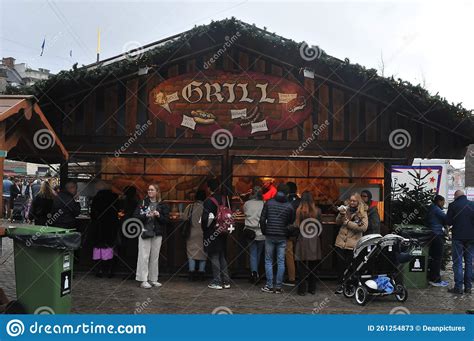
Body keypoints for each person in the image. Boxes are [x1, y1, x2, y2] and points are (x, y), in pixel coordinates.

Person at [260, 183, 295, 294]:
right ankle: (279, 287)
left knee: (268, 260)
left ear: (277, 191)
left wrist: (265, 231)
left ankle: (269, 286)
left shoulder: (269, 203)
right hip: (282, 236)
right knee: (281, 261)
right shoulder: (289, 206)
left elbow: (262, 219)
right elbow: (291, 223)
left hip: (269, 235)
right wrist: (286, 232)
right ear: (287, 193)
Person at [134, 183, 170, 289]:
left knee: (155, 257)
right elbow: (135, 216)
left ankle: (153, 279)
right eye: (148, 190)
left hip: (157, 233)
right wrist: (146, 215)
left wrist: (159, 215)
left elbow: (166, 220)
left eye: (152, 190)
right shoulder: (143, 202)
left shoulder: (162, 205)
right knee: (143, 256)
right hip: (145, 232)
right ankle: (143, 279)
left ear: (157, 192)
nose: (149, 191)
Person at [334, 193, 368, 294]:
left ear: (358, 202)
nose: (352, 202)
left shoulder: (362, 212)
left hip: (353, 244)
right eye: (351, 200)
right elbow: (337, 222)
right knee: (340, 266)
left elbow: (363, 227)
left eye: (354, 201)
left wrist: (348, 223)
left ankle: (349, 285)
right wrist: (341, 214)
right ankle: (340, 285)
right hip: (340, 242)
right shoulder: (345, 209)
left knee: (350, 266)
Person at [201, 178, 231, 290]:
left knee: (214, 255)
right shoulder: (224, 199)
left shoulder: (209, 201)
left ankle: (217, 282)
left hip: (212, 232)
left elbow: (204, 220)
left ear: (209, 188)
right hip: (223, 231)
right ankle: (226, 281)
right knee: (222, 255)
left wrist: (204, 229)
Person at [446, 190, 474, 294]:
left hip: (458, 237)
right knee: (469, 262)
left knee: (457, 262)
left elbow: (448, 221)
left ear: (455, 196)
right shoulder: (472, 204)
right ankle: (468, 287)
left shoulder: (453, 205)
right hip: (471, 238)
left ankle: (458, 288)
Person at [90, 181, 120, 278]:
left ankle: (99, 270)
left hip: (99, 227)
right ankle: (110, 270)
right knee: (110, 247)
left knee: (99, 248)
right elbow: (119, 210)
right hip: (112, 226)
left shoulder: (96, 198)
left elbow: (93, 214)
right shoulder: (114, 198)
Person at [295, 191, 322, 295]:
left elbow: (297, 226)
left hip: (302, 239)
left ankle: (301, 290)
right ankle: (312, 288)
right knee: (313, 266)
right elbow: (320, 226)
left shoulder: (299, 211)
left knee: (301, 267)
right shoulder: (318, 211)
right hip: (314, 240)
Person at [183, 190, 207, 281]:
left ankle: (191, 273)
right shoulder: (206, 207)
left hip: (191, 233)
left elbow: (184, 218)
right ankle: (201, 273)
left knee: (191, 253)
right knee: (203, 253)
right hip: (203, 233)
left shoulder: (190, 207)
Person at [243, 186, 265, 284]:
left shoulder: (247, 203)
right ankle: (257, 273)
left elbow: (244, 212)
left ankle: (254, 274)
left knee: (252, 253)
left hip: (250, 232)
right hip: (261, 232)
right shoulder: (264, 204)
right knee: (258, 253)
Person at [426, 194, 449, 287]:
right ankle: (435, 279)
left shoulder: (432, 208)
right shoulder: (437, 209)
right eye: (443, 202)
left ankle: (433, 277)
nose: (444, 204)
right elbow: (447, 219)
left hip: (432, 234)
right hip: (437, 235)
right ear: (439, 201)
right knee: (438, 257)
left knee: (434, 257)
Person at [283, 181, 301, 287]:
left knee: (289, 255)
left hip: (288, 232)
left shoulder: (286, 201)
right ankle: (300, 275)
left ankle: (291, 278)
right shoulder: (300, 202)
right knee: (299, 254)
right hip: (300, 233)